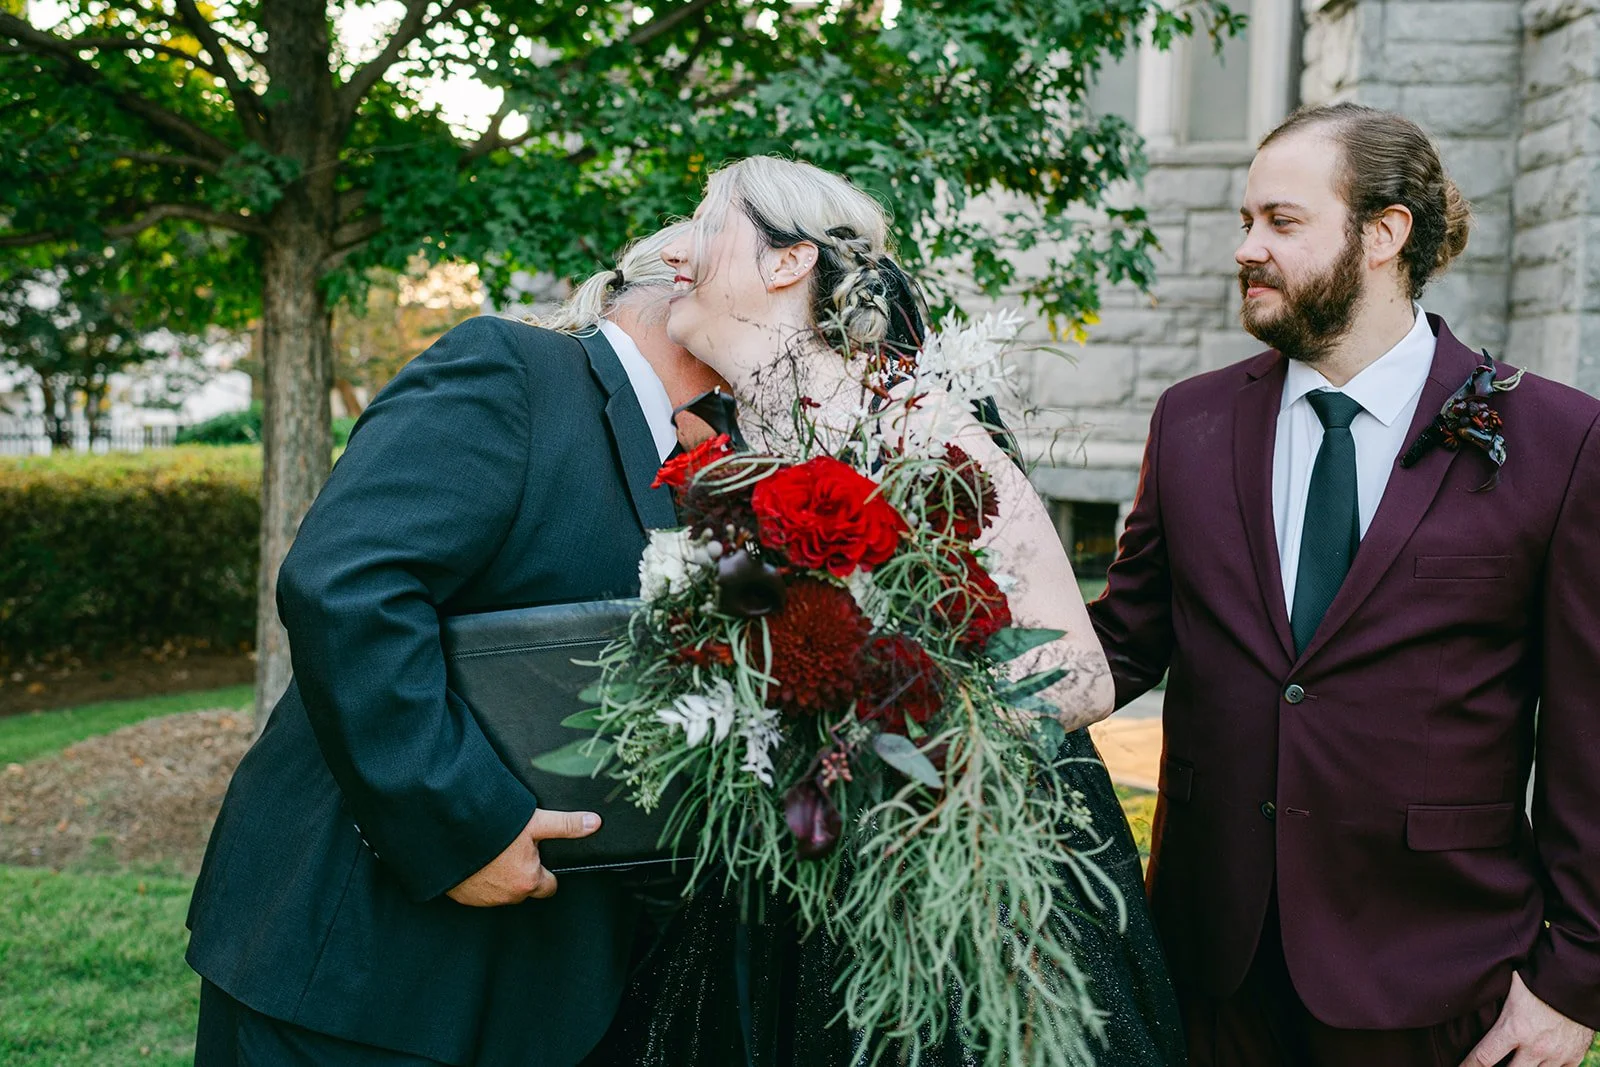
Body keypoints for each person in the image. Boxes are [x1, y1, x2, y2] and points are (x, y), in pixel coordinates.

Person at [582, 155, 1186, 1066]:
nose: (683, 247)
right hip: (784, 878)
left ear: (788, 263)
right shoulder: (719, 451)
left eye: (711, 221)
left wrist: (889, 752)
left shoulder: (914, 423)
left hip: (961, 883)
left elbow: (1083, 677)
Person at [1088, 102, 1600, 1066]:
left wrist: (1574, 982)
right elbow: (1123, 643)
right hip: (1214, 965)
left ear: (1383, 234)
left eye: (1281, 222)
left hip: (1436, 972)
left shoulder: (1559, 441)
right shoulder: (1191, 421)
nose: (1246, 247)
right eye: (1247, 221)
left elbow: (1590, 734)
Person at [185, 224, 727, 1065]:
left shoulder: (702, 450)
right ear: (685, 283)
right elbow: (348, 584)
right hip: (367, 967)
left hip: (545, 977)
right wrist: (465, 828)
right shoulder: (514, 370)